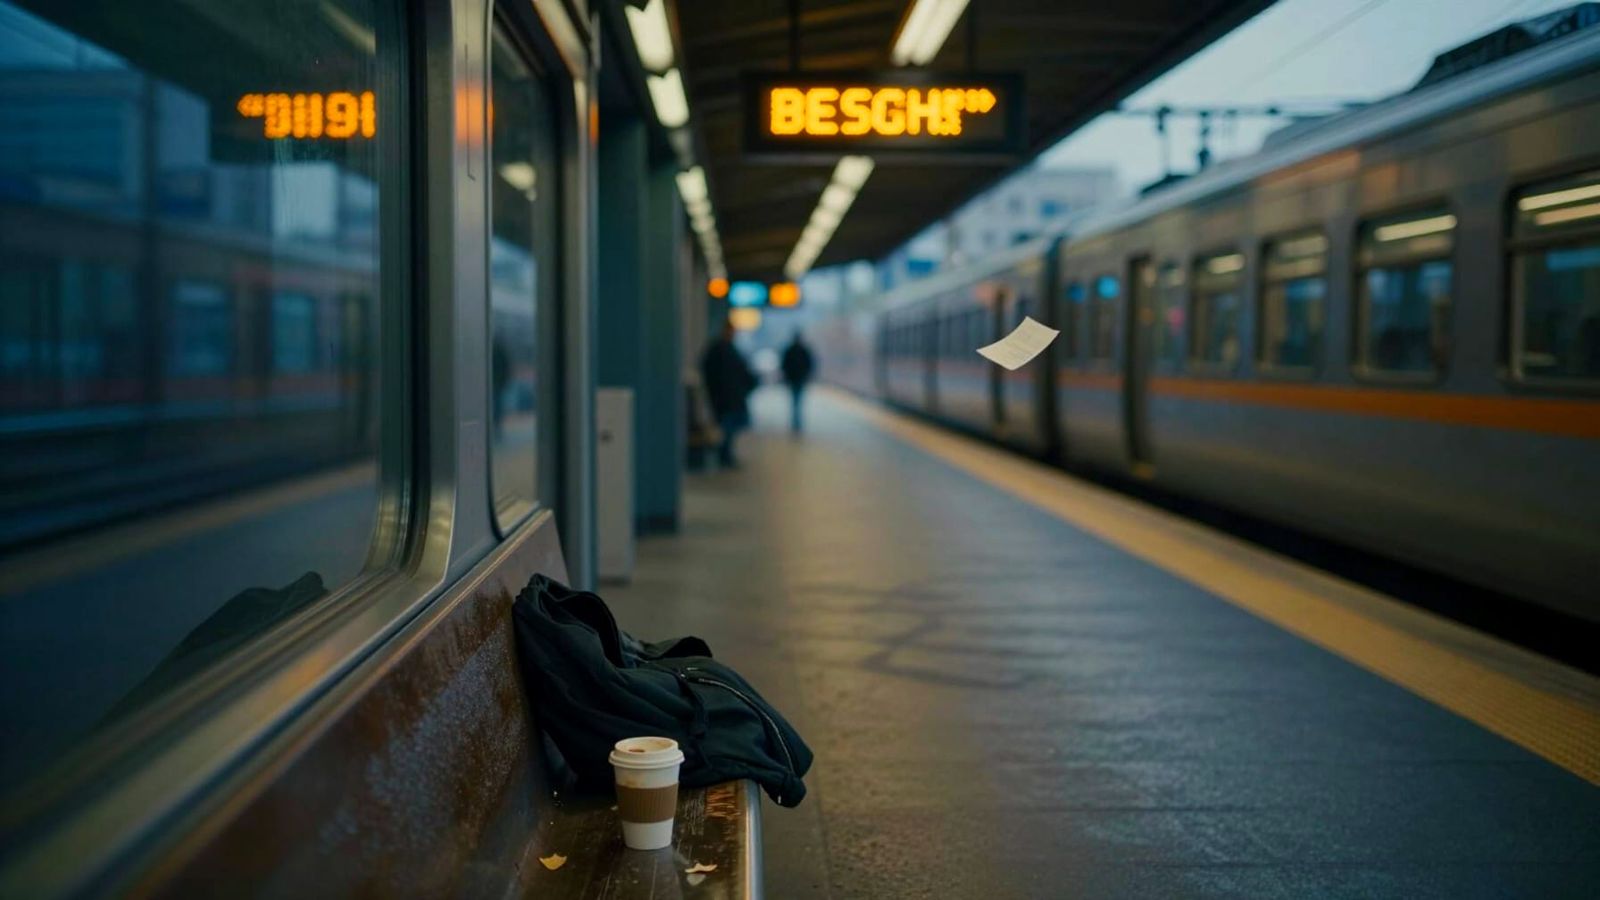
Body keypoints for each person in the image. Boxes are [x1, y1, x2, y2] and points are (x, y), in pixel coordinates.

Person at [700, 320, 757, 468]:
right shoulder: (723, 350)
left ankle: (725, 454)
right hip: (726, 397)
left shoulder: (724, 349)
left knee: (729, 427)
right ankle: (724, 455)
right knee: (728, 427)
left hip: (728, 396)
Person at [780, 330, 816, 433]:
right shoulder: (804, 350)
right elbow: (809, 364)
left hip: (792, 379)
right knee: (798, 400)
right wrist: (806, 375)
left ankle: (795, 422)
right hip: (800, 379)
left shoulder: (789, 350)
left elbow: (784, 365)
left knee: (794, 400)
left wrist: (786, 377)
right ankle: (797, 422)